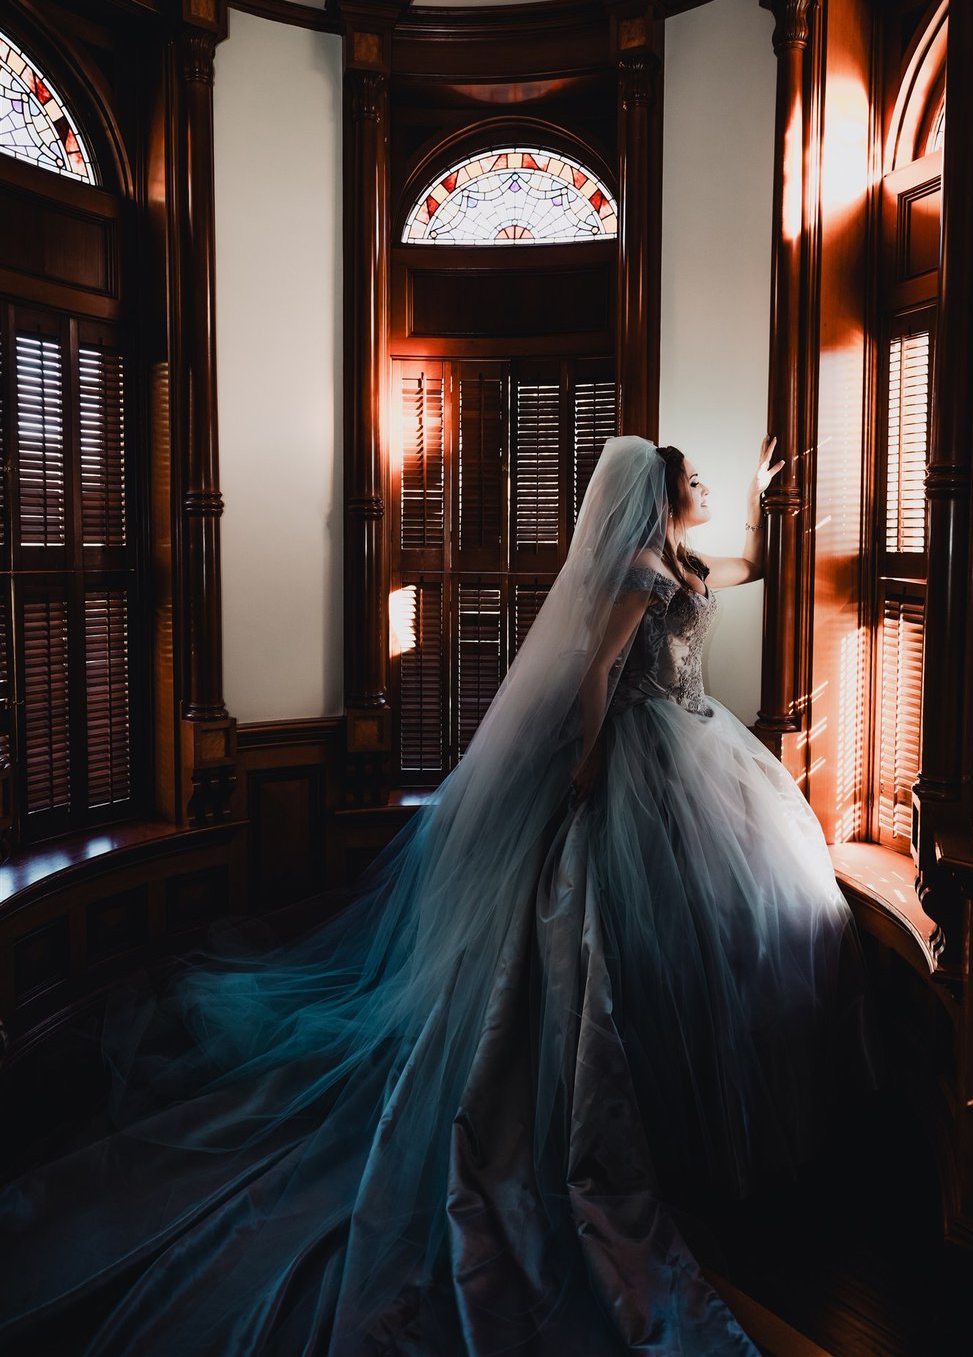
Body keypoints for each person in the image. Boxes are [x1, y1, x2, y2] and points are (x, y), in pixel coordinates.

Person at [0, 434, 883, 1357]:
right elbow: (590, 672)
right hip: (636, 762)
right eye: (692, 480)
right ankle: (612, 1135)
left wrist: (758, 495)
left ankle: (663, 1129)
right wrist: (585, 770)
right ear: (653, 496)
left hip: (695, 756)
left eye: (704, 479)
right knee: (602, 958)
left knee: (686, 945)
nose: (700, 489)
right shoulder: (636, 569)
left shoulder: (684, 561)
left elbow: (743, 567)